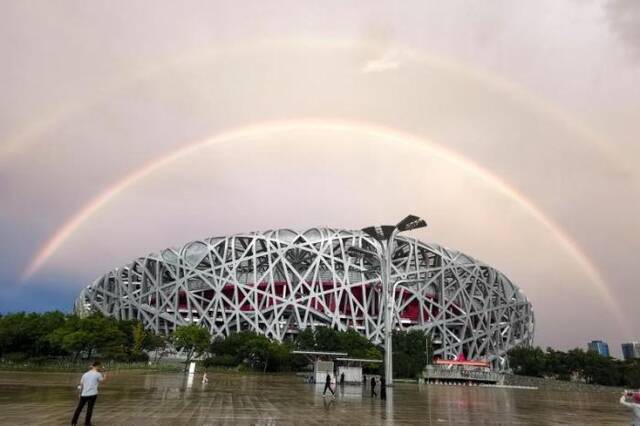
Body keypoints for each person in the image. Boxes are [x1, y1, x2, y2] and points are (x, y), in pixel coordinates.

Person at [71, 361, 106, 426]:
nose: (100, 368)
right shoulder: (98, 374)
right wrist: (105, 375)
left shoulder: (85, 374)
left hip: (84, 394)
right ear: (97, 366)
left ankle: (73, 422)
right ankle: (87, 423)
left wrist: (80, 393)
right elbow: (102, 381)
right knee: (89, 409)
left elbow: (81, 384)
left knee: (79, 408)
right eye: (100, 366)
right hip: (93, 394)